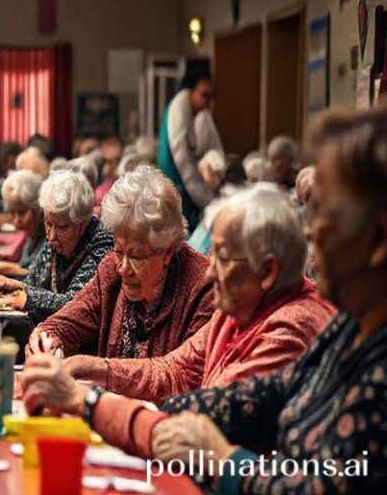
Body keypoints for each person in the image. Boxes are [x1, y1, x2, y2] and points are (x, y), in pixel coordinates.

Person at [22, 107, 387, 493]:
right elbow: (199, 393)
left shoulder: (302, 326)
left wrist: (225, 460)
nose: (309, 232)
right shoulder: (347, 331)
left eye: (324, 215)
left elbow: (317, 482)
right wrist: (90, 398)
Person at [74, 184, 335, 402]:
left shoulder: (290, 328)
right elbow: (174, 371)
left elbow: (215, 412)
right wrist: (97, 368)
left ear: (267, 271)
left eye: (222, 258)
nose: (210, 272)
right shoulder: (239, 310)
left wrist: (91, 404)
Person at [26, 166, 214, 365]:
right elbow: (69, 319)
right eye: (119, 251)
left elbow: (182, 373)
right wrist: (47, 339)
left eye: (137, 257)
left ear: (167, 252)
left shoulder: (201, 285)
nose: (123, 268)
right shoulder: (110, 271)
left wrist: (100, 370)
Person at [0, 170, 113, 324]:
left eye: (62, 227)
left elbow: (74, 304)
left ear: (83, 223)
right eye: (48, 224)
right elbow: (33, 283)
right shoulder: (55, 240)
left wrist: (25, 292)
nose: (52, 236)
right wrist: (12, 285)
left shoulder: (103, 244)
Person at [158, 71, 223, 230]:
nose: (207, 102)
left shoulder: (191, 113)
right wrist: (207, 200)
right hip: (177, 190)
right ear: (191, 91)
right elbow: (185, 164)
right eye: (204, 95)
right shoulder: (179, 109)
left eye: (210, 97)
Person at [1, 170, 46, 271]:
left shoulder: (49, 235)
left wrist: (6, 268)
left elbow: (37, 276)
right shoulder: (30, 233)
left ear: (37, 207)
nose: (16, 220)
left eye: (21, 212)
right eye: (12, 213)